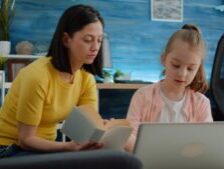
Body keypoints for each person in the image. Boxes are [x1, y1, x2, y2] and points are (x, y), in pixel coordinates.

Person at [0, 4, 105, 158]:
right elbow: (26, 140)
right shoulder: (37, 76)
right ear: (66, 39)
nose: (95, 47)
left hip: (45, 149)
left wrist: (106, 130)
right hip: (9, 147)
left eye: (99, 40)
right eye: (88, 40)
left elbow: (89, 129)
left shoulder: (86, 79)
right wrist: (68, 147)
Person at [125, 24, 213, 152]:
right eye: (176, 65)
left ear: (198, 68)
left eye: (190, 68)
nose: (182, 73)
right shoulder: (143, 96)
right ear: (163, 59)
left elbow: (208, 141)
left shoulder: (202, 103)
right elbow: (129, 136)